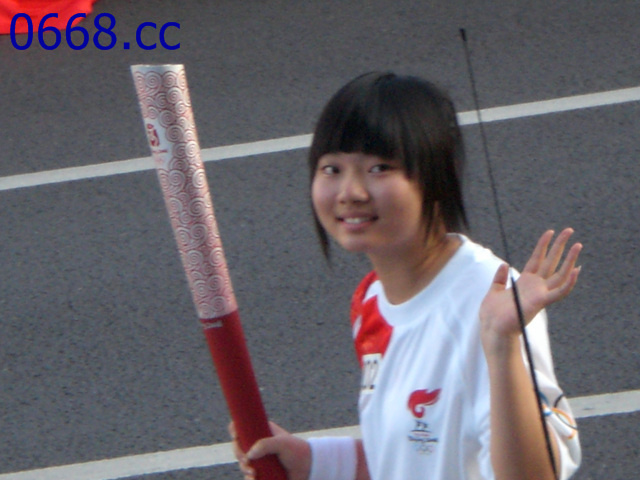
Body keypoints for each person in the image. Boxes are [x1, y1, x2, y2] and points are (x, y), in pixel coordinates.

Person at [229, 72, 582, 480]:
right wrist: (312, 461)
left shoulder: (493, 304)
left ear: (435, 177)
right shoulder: (371, 301)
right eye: (332, 168)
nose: (350, 192)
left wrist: (502, 346)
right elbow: (412, 457)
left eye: (379, 167)